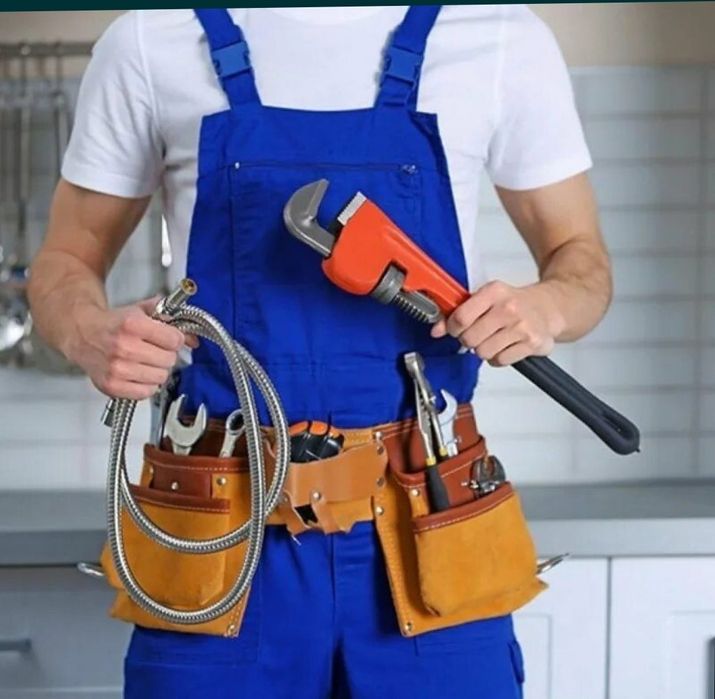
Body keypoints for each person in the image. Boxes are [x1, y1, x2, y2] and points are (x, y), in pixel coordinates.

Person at [28, 6, 610, 698]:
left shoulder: (500, 36)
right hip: (221, 528)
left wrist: (546, 307)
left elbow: (582, 262)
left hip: (430, 522)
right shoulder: (151, 41)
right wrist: (88, 330)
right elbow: (65, 260)